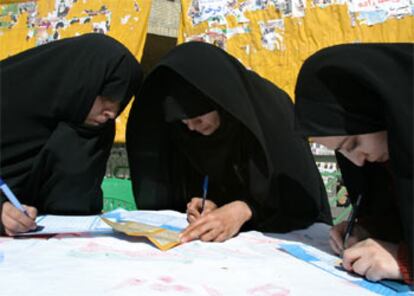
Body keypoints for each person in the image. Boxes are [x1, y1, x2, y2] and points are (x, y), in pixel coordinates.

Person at [126, 41, 332, 243]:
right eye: (184, 121)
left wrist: (244, 209)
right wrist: (210, 204)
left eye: (198, 118)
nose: (192, 128)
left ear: (221, 102)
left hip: (291, 240)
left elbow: (300, 199)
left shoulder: (271, 112)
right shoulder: (192, 133)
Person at [0, 33, 143, 236]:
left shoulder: (94, 131)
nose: (112, 113)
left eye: (120, 104)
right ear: (81, 81)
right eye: (108, 98)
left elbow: (79, 208)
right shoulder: (9, 97)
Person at [294, 43, 413, 285]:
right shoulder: (385, 156)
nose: (357, 162)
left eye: (354, 143)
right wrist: (370, 228)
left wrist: (404, 261)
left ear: (385, 110)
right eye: (340, 152)